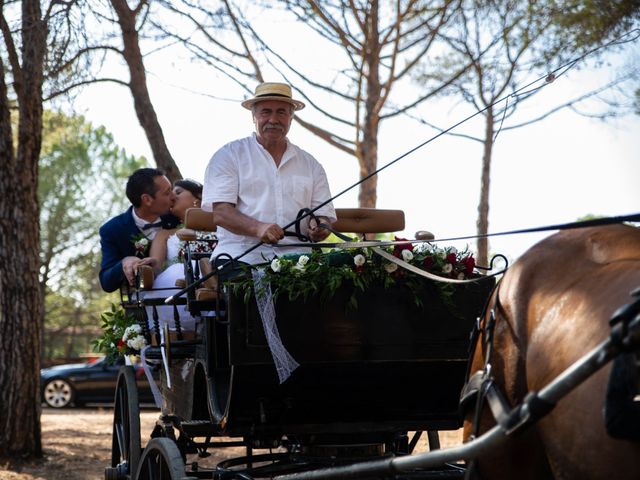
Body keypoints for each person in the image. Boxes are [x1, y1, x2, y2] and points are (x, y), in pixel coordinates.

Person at [201, 82, 336, 268]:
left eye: (281, 112)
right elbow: (221, 214)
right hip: (241, 258)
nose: (273, 119)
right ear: (253, 116)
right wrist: (258, 228)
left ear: (291, 117)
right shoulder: (228, 155)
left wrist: (321, 226)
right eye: (266, 112)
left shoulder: (311, 164)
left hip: (299, 260)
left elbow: (323, 215)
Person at [138, 179, 213, 333]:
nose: (172, 197)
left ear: (197, 198)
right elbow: (157, 264)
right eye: (170, 194)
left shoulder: (221, 228)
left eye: (178, 192)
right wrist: (151, 263)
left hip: (213, 287)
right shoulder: (164, 234)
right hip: (176, 297)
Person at [99, 168, 179, 292]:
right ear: (147, 199)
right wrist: (124, 262)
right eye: (167, 193)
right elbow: (106, 282)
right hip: (144, 304)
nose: (174, 197)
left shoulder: (177, 217)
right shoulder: (112, 230)